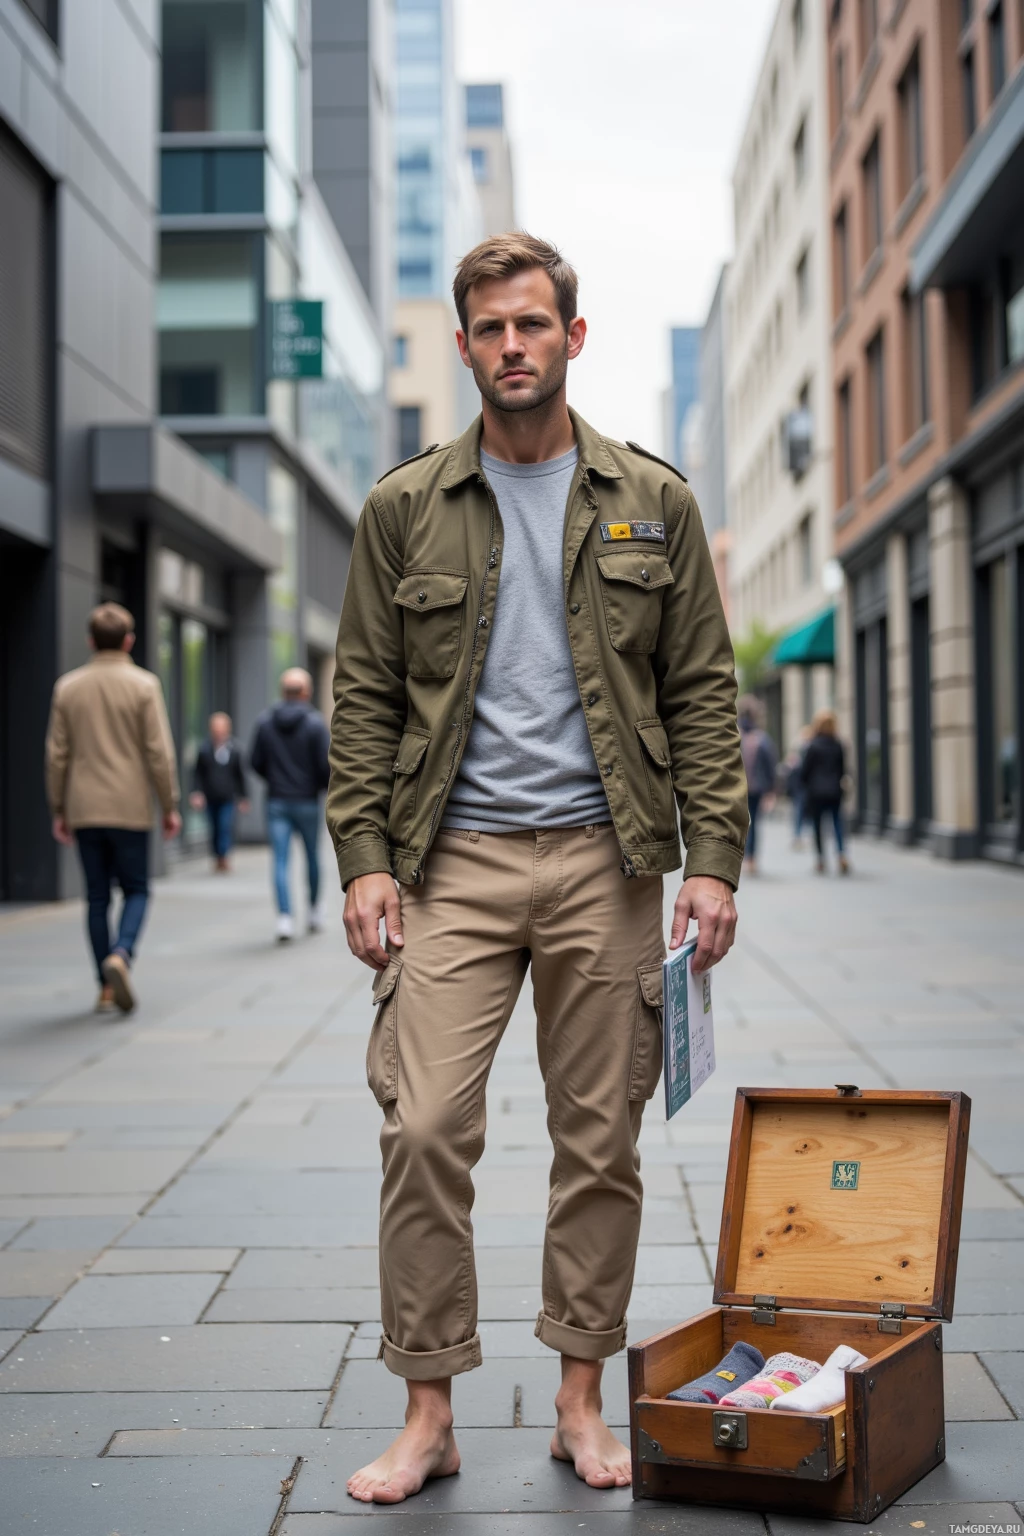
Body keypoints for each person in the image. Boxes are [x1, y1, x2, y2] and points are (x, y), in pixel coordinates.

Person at [327, 233, 748, 1505]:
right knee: (426, 1127)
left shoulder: (649, 500)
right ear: (461, 346)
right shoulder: (405, 506)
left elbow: (702, 695)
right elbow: (364, 701)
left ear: (574, 334)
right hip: (446, 862)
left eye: (532, 324)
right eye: (489, 329)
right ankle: (429, 1411)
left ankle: (578, 1400)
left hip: (606, 865)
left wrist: (711, 860)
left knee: (599, 1143)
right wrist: (364, 859)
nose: (512, 346)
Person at [45, 603, 181, 1014]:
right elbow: (159, 752)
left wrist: (58, 808)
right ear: (129, 640)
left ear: (90, 641)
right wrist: (169, 804)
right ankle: (121, 954)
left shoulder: (67, 687)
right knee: (136, 889)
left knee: (97, 897)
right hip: (129, 806)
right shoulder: (143, 685)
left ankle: (104, 987)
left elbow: (56, 754)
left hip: (85, 807)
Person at [250, 668, 330, 941]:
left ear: (283, 692)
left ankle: (284, 917)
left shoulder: (265, 722)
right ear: (306, 692)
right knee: (312, 857)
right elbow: (325, 765)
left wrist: (275, 780)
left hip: (277, 801)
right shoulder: (315, 723)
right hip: (307, 800)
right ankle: (314, 910)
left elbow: (255, 762)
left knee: (280, 860)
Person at [189, 713, 249, 872]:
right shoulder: (204, 749)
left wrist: (243, 797)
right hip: (210, 796)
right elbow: (197, 774)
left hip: (228, 797)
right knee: (214, 827)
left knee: (224, 826)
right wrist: (196, 792)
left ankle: (223, 856)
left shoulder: (235, 749)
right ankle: (217, 855)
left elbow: (240, 775)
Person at [801, 708, 850, 875]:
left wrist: (805, 785)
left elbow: (805, 770)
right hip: (835, 790)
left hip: (816, 792)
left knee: (818, 826)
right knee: (837, 823)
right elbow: (843, 769)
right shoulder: (838, 745)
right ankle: (841, 855)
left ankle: (821, 860)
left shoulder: (813, 745)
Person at [738, 696, 777, 875]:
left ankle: (744, 857)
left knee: (740, 824)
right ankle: (751, 858)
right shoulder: (762, 738)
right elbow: (770, 766)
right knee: (754, 823)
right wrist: (771, 791)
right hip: (755, 789)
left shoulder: (734, 735)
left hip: (738, 789)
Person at [784, 723, 812, 849]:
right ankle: (800, 836)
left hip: (804, 786)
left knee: (800, 811)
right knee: (802, 811)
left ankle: (799, 836)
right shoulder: (800, 749)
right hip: (803, 787)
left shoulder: (805, 749)